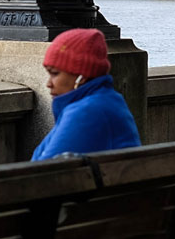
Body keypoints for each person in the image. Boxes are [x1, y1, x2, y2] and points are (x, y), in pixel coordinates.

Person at [31, 27, 140, 161]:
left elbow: (42, 173)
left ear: (81, 77)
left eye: (55, 73)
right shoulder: (107, 102)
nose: (49, 83)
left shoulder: (87, 112)